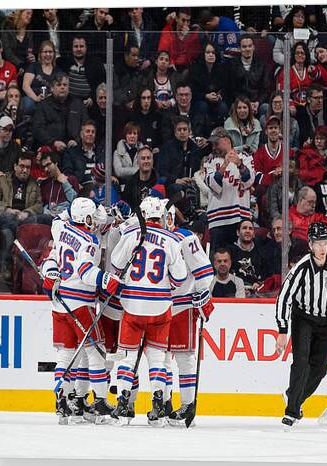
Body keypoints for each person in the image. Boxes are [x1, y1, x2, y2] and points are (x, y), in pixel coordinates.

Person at [111, 196, 188, 426]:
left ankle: (123, 402)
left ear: (142, 215)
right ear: (162, 216)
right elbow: (180, 278)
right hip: (160, 306)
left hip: (133, 304)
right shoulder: (172, 239)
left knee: (127, 356)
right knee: (157, 358)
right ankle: (158, 402)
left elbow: (116, 264)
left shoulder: (132, 234)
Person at [40, 197, 118, 424]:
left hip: (59, 302)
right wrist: (106, 280)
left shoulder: (60, 227)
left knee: (66, 352)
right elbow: (85, 271)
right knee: (96, 352)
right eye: (91, 217)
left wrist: (50, 273)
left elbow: (51, 257)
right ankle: (101, 401)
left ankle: (61, 402)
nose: (94, 221)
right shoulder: (89, 240)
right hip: (79, 304)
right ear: (85, 217)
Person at [275, 222, 327, 428]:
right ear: (310, 244)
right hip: (303, 318)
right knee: (300, 362)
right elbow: (284, 297)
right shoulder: (301, 268)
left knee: (319, 370)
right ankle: (291, 412)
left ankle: (292, 396)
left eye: (325, 242)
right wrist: (282, 329)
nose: (322, 247)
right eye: (318, 243)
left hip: (325, 321)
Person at [163, 200, 214, 424]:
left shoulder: (187, 238)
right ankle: (163, 402)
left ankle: (187, 404)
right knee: (160, 358)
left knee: (184, 357)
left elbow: (204, 271)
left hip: (182, 304)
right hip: (157, 305)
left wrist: (203, 293)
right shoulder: (150, 238)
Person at [0, 151, 43, 280]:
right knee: (9, 222)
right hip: (5, 216)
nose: (25, 170)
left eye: (28, 167)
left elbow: (39, 205)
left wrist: (27, 212)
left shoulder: (34, 183)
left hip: (24, 219)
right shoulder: (2, 181)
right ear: (15, 166)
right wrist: (8, 210)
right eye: (22, 166)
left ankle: (6, 265)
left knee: (8, 231)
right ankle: (8, 264)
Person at [204, 126, 258, 253]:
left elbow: (249, 181)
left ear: (227, 141)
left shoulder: (245, 157)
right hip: (217, 220)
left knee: (239, 260)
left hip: (240, 218)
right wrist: (225, 165)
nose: (214, 147)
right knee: (218, 260)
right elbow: (212, 184)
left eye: (216, 143)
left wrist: (239, 165)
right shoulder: (210, 160)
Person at [33, 73, 89, 154]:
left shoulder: (78, 104)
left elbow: (86, 125)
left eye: (65, 85)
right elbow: (37, 129)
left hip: (76, 149)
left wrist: (77, 141)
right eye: (59, 85)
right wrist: (53, 142)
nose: (62, 87)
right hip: (50, 149)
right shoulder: (43, 106)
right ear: (52, 88)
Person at [188, 41, 230, 130]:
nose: (211, 55)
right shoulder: (195, 69)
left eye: (213, 53)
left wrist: (220, 96)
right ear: (203, 54)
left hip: (217, 100)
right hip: (200, 100)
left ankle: (220, 132)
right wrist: (205, 96)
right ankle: (200, 133)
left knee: (223, 107)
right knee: (202, 106)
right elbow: (192, 90)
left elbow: (226, 87)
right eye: (208, 52)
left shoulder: (222, 69)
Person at [227, 34, 271, 114]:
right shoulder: (231, 65)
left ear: (253, 47)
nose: (247, 49)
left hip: (257, 103)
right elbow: (230, 89)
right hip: (238, 103)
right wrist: (244, 104)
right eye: (244, 47)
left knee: (265, 108)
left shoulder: (262, 65)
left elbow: (266, 89)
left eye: (249, 46)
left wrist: (257, 102)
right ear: (239, 49)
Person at [59, 35, 106, 108]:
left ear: (86, 48)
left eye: (81, 46)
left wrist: (92, 98)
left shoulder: (96, 64)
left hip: (90, 103)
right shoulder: (64, 63)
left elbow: (101, 84)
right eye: (76, 46)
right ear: (72, 48)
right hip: (69, 103)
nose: (78, 49)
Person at [21, 40, 64, 114]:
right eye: (45, 52)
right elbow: (25, 86)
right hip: (32, 100)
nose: (48, 54)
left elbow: (59, 89)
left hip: (50, 101)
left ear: (54, 54)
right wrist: (36, 98)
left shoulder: (58, 71)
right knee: (28, 104)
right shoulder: (33, 66)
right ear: (40, 54)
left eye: (50, 52)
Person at [62, 119, 105, 188]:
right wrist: (75, 184)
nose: (90, 134)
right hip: (82, 187)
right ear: (81, 134)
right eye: (87, 131)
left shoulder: (101, 152)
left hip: (100, 187)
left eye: (93, 132)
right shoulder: (71, 152)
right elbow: (67, 173)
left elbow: (106, 170)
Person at [157, 7, 200, 74]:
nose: (186, 24)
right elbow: (162, 50)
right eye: (183, 20)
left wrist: (186, 38)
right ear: (177, 19)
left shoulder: (193, 35)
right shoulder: (168, 31)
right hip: (169, 66)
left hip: (187, 68)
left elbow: (193, 56)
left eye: (188, 21)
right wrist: (171, 62)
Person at [229, 219, 267, 294]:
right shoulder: (230, 251)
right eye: (244, 228)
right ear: (238, 232)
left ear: (254, 234)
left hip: (257, 294)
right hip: (235, 294)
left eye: (250, 228)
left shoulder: (261, 252)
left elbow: (266, 274)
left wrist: (259, 283)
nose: (247, 231)